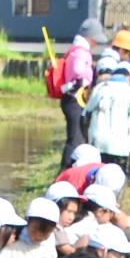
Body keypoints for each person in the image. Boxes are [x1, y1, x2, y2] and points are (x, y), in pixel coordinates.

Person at [56, 17, 105, 160]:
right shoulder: (81, 52)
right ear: (89, 38)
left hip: (72, 98)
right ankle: (64, 173)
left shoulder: (76, 49)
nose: (96, 43)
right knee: (75, 140)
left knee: (77, 137)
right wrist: (86, 76)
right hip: (74, 99)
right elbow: (77, 70)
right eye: (95, 39)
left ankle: (71, 170)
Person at [84, 58, 130, 174]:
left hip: (98, 142)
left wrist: (86, 138)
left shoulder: (100, 88)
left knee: (99, 173)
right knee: (118, 175)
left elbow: (86, 114)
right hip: (121, 144)